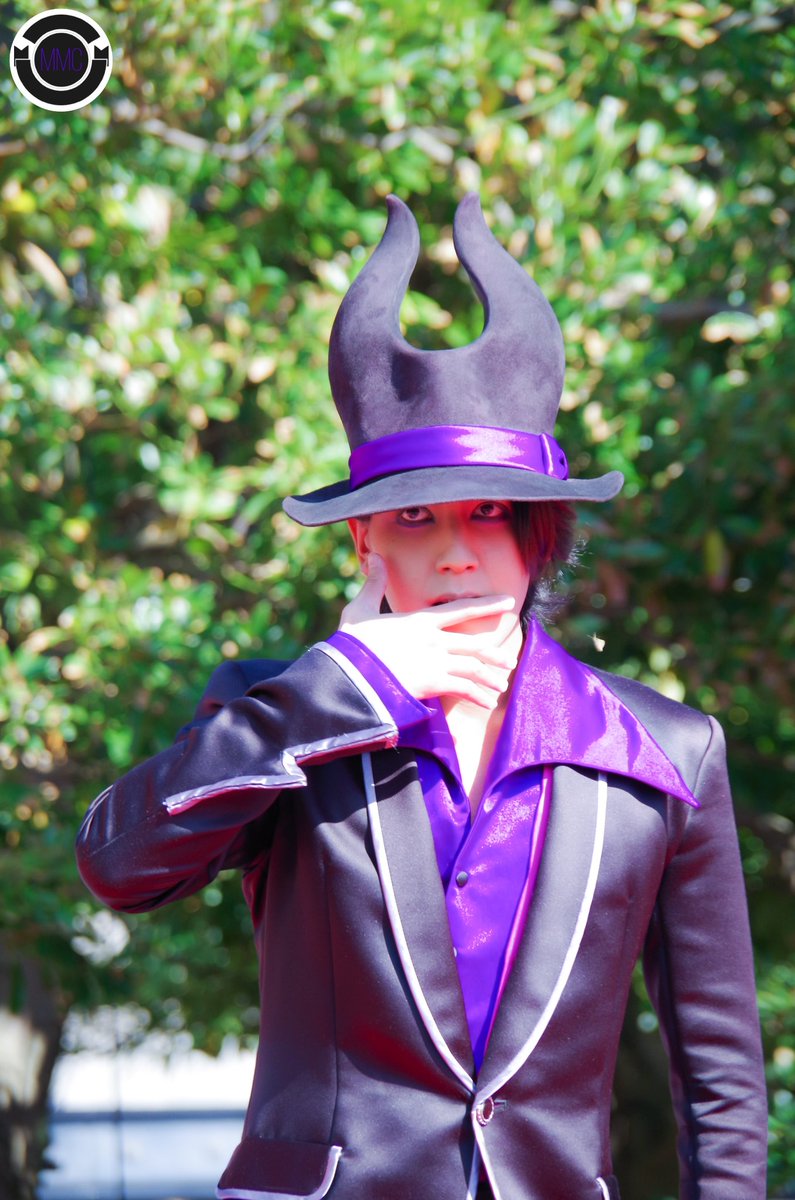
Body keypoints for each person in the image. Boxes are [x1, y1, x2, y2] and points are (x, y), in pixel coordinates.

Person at [76, 194, 767, 1200]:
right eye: (412, 518)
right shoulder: (278, 716)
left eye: (488, 513)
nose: (454, 554)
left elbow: (721, 1079)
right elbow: (116, 866)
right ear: (362, 539)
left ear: (539, 534)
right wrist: (339, 688)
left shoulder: (663, 750)